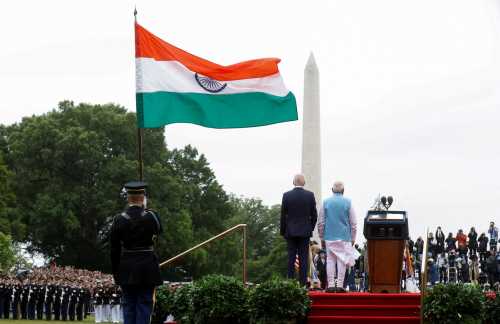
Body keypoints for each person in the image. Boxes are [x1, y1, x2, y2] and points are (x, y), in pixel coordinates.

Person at [110, 181, 163, 324]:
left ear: (128, 197)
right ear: (143, 197)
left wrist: (116, 272)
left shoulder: (118, 219)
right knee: (144, 304)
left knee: (129, 304)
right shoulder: (152, 216)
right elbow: (159, 231)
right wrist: (146, 211)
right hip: (147, 266)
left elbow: (114, 249)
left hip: (127, 267)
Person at [318, 181, 357, 293]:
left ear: (332, 190)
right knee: (342, 261)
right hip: (344, 236)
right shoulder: (348, 202)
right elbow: (353, 222)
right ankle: (340, 285)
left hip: (329, 236)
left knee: (330, 261)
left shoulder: (326, 202)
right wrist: (353, 237)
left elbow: (321, 222)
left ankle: (330, 285)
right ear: (343, 190)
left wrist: (321, 237)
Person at [280, 174, 318, 286]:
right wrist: (309, 228)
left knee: (291, 258)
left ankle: (290, 283)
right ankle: (302, 284)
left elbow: (283, 216)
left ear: (293, 182)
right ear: (304, 183)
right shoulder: (310, 195)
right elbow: (314, 215)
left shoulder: (286, 196)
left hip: (290, 232)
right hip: (304, 232)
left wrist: (283, 231)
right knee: (303, 259)